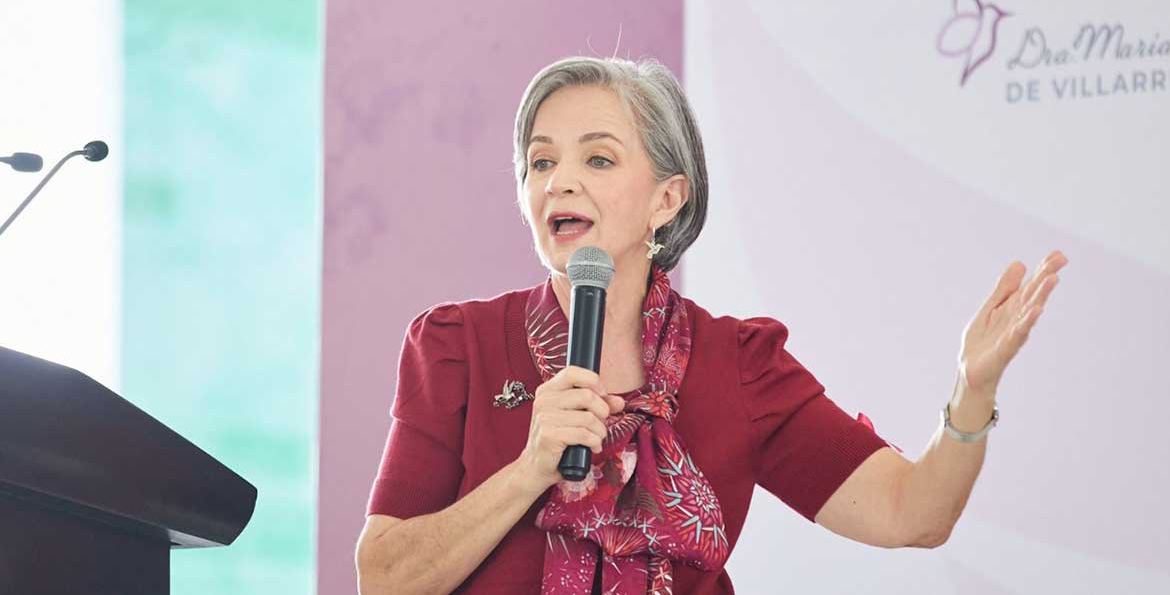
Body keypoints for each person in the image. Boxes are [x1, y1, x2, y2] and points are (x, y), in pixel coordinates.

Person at [354, 56, 1068, 594]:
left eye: (598, 158)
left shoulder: (738, 363)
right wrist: (527, 472)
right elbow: (382, 578)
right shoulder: (457, 346)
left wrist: (973, 389)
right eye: (540, 162)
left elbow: (911, 513)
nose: (558, 182)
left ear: (668, 200)